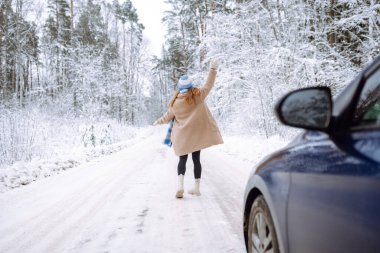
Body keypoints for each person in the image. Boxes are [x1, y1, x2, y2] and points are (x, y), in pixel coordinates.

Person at [153, 59, 223, 198]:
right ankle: (196, 188)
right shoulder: (198, 96)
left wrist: (157, 121)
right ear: (191, 86)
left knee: (182, 160)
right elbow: (209, 85)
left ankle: (180, 186)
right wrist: (213, 70)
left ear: (179, 87)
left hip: (182, 137)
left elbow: (166, 117)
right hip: (196, 136)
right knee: (196, 160)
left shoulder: (175, 103)